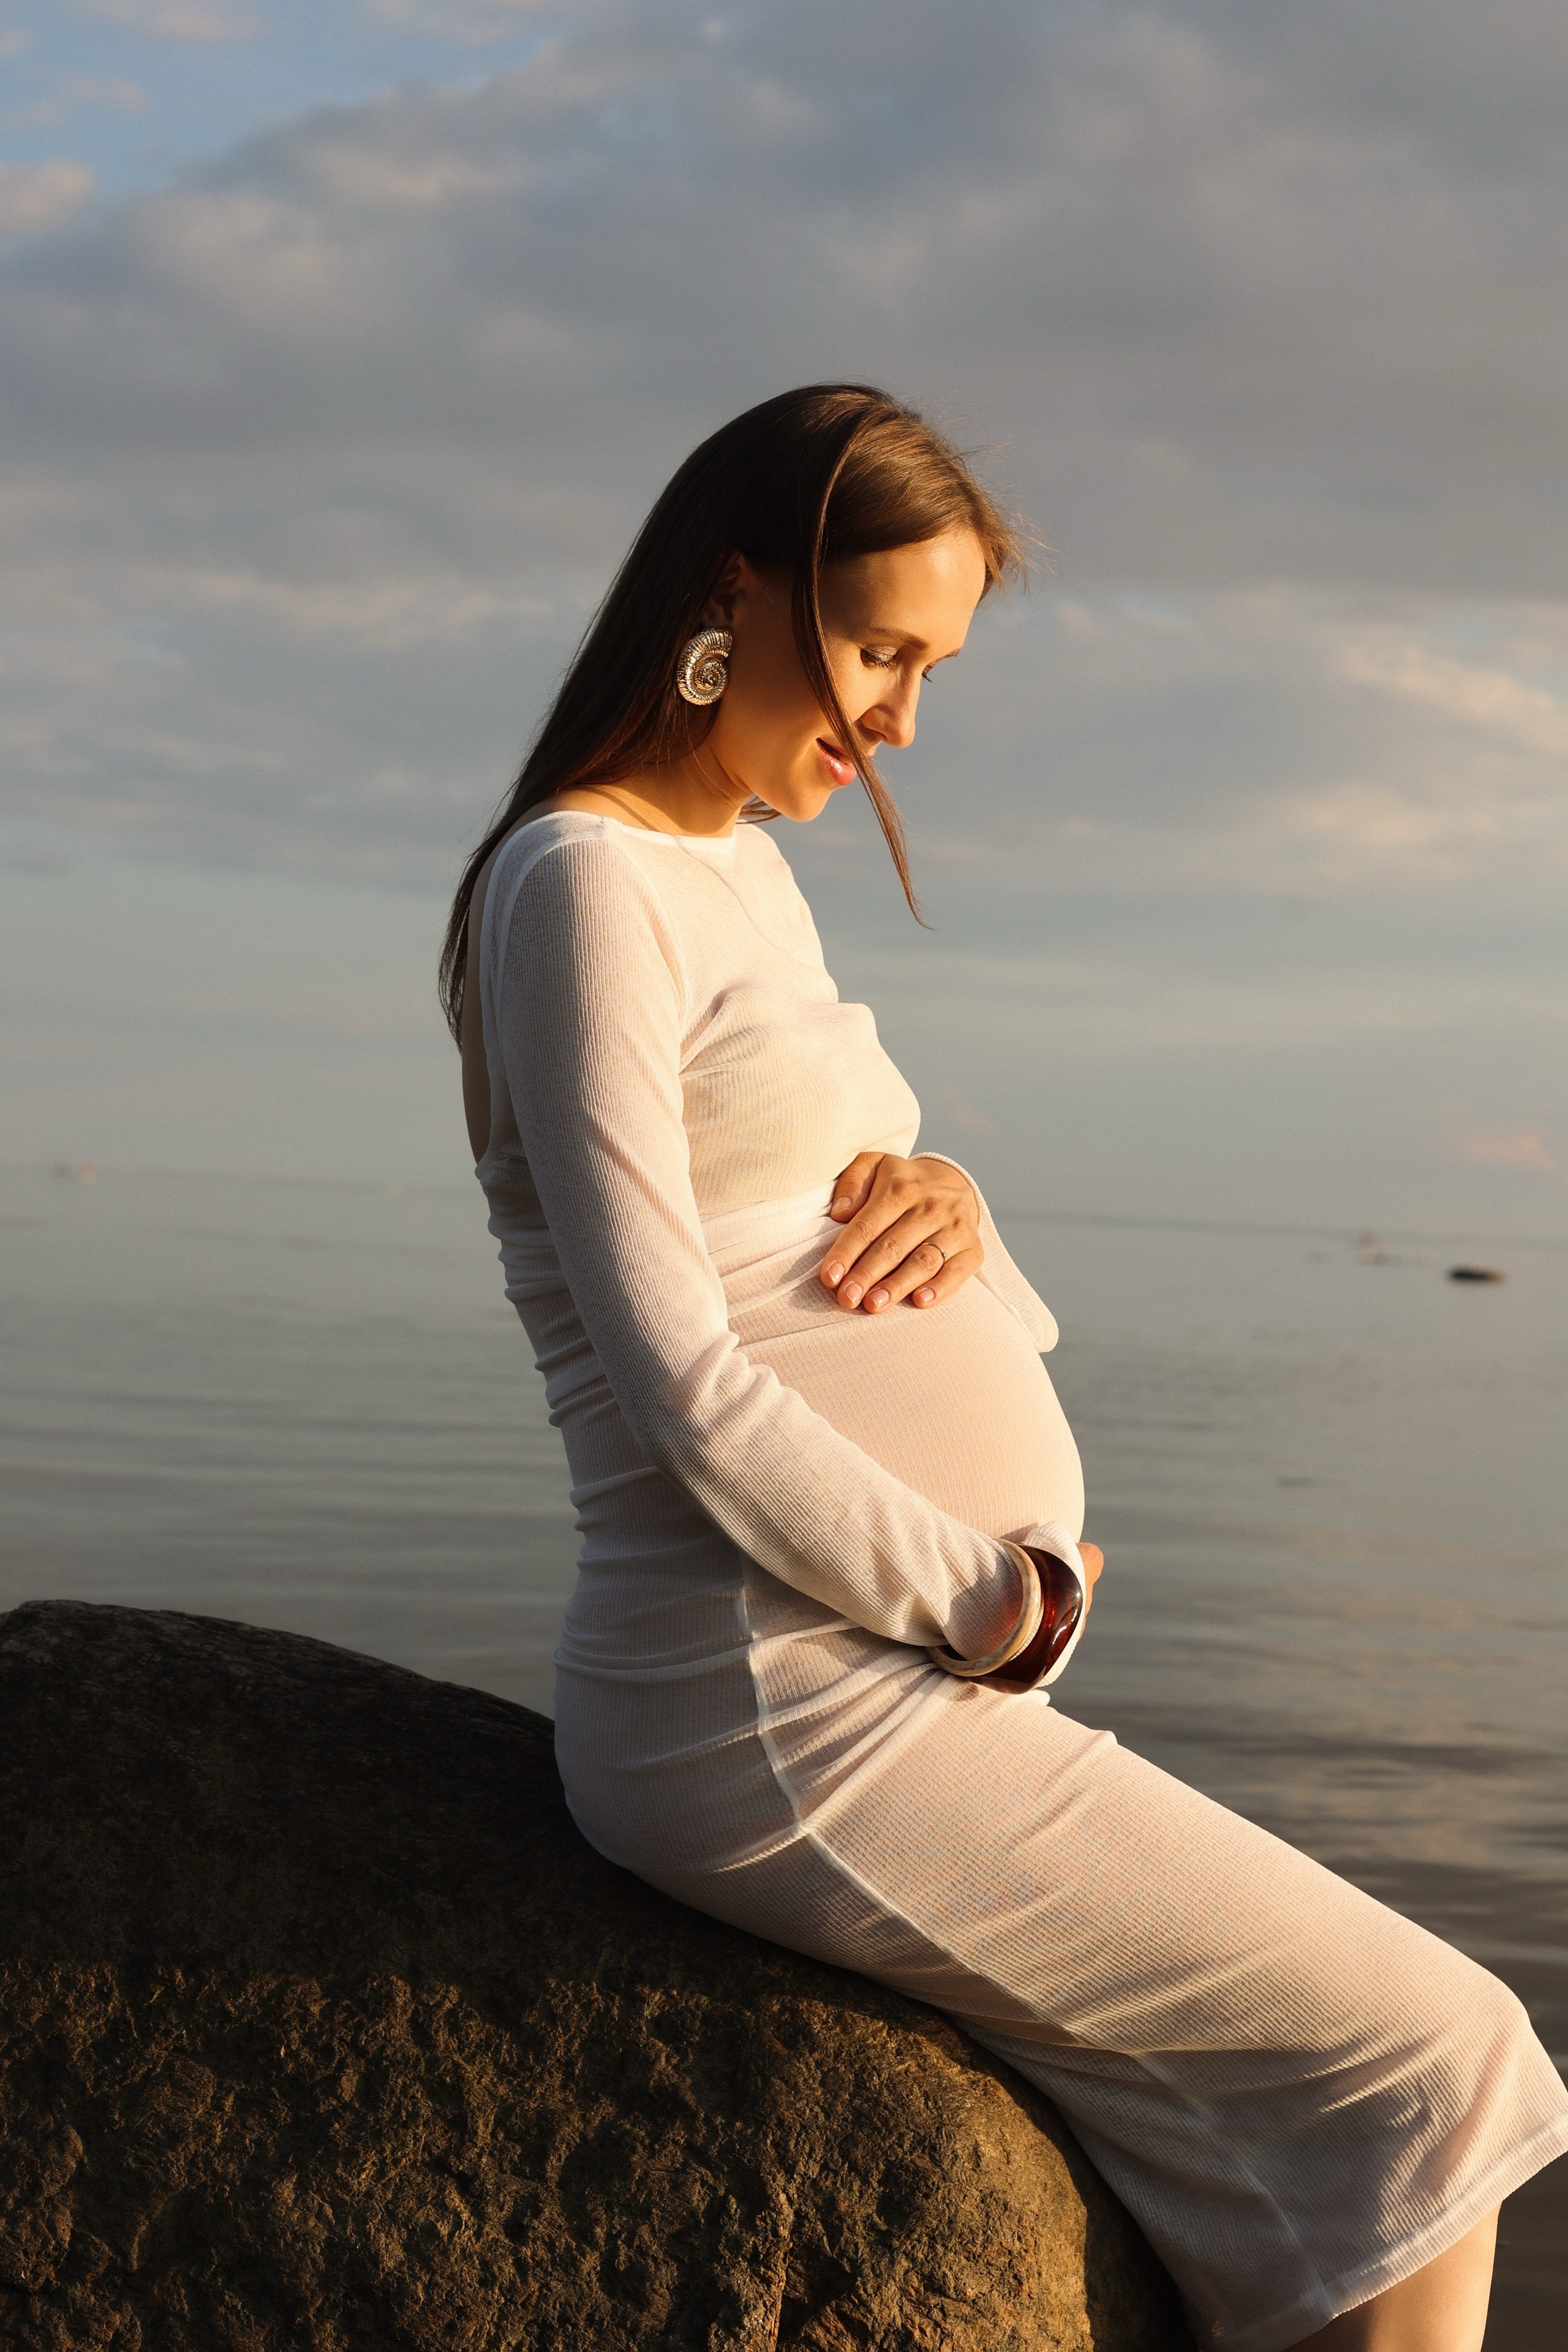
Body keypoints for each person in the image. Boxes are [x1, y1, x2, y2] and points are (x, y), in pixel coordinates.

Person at [443, 385, 1568, 2351]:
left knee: (1328, 2147)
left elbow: (890, 1255)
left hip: (864, 1666)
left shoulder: (737, 876)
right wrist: (992, 1596)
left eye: (928, 670)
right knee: (1443, 2056)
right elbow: (676, 1375)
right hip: (775, 1690)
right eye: (880, 649)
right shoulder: (583, 883)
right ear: (733, 589)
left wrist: (957, 1197)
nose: (897, 721)